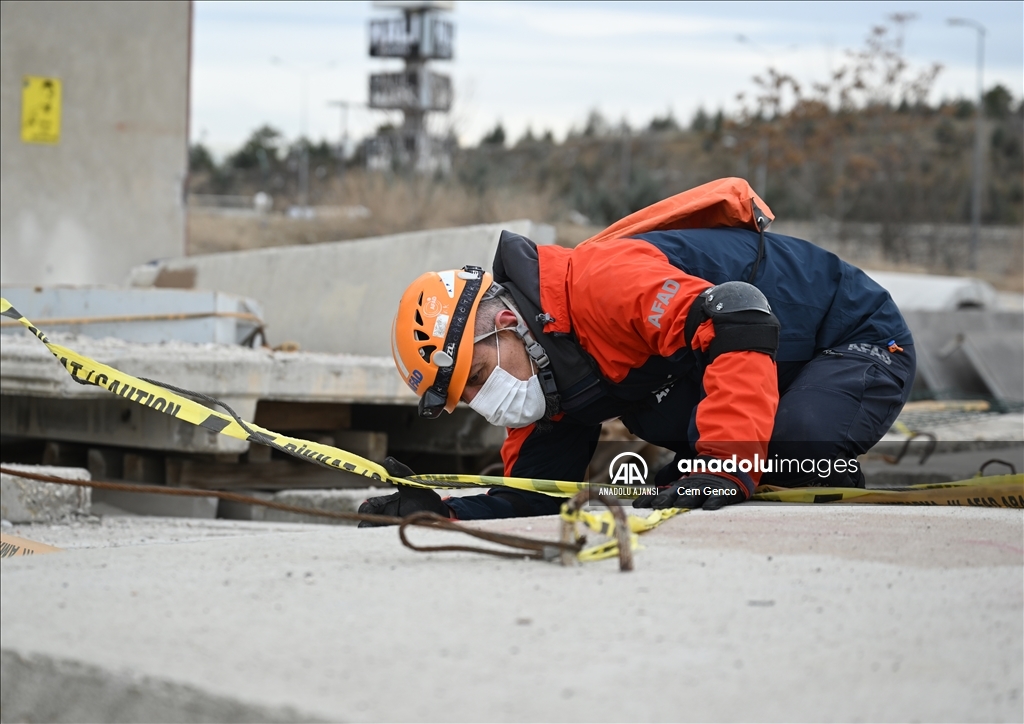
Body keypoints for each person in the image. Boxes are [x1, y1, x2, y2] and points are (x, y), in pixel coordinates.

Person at [360, 178, 915, 523]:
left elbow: (740, 314)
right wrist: (442, 511)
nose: (489, 402)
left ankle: (815, 471)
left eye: (478, 376)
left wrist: (725, 466)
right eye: (468, 398)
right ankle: (763, 463)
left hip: (852, 337)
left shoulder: (601, 284)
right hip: (763, 360)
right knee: (668, 443)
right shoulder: (543, 370)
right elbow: (535, 495)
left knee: (792, 445)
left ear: (506, 322)